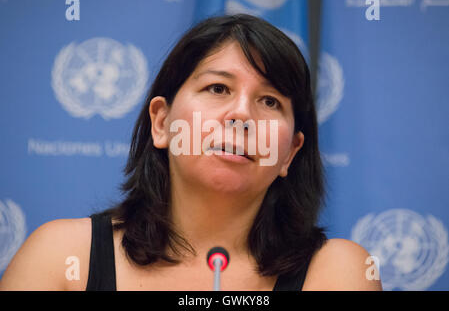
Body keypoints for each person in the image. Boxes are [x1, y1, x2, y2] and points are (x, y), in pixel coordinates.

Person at [0, 14, 382, 291]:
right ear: (162, 122)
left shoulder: (339, 271)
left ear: (289, 154)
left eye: (269, 101)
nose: (241, 114)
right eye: (218, 89)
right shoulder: (63, 257)